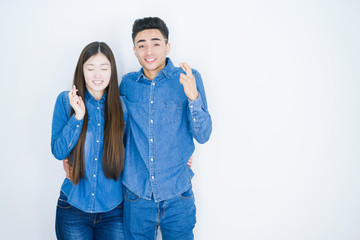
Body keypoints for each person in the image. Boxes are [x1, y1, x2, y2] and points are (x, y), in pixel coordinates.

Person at [120, 17, 212, 239]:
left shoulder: (189, 78)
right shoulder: (127, 84)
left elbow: (203, 135)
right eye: (141, 45)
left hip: (177, 195)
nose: (149, 50)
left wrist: (193, 97)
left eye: (156, 43)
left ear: (167, 47)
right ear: (134, 50)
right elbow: (115, 130)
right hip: (136, 195)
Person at [51, 42, 125, 239]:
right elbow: (58, 151)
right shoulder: (65, 101)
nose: (97, 75)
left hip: (114, 211)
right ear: (81, 71)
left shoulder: (122, 107)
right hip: (73, 208)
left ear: (112, 71)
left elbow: (134, 151)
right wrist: (78, 117)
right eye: (90, 68)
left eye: (104, 68)